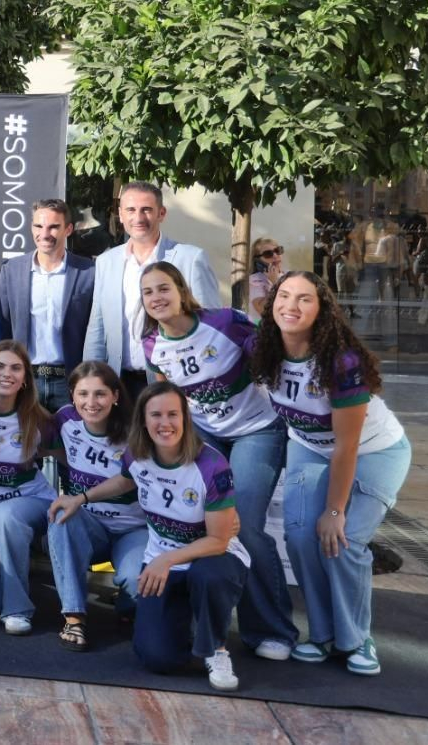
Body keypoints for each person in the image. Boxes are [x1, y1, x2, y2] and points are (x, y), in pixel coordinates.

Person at [139, 261, 298, 659]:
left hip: (256, 429)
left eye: (163, 289)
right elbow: (164, 402)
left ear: (180, 290)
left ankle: (271, 630)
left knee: (241, 523)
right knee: (200, 527)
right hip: (205, 435)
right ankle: (204, 620)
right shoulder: (151, 344)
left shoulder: (224, 322)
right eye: (148, 293)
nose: (156, 298)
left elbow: (271, 355)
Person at [254, 272, 411, 675]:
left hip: (374, 451)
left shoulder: (341, 362)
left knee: (343, 540)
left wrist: (336, 510)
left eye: (305, 299)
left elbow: (347, 446)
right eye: (284, 296)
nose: (291, 306)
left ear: (321, 310)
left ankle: (357, 639)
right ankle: (322, 635)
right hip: (308, 444)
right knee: (301, 537)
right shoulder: (263, 347)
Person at [55, 384, 250, 692]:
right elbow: (123, 482)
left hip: (211, 558)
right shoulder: (137, 454)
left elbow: (218, 540)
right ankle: (183, 618)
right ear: (143, 420)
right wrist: (80, 498)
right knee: (157, 658)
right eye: (155, 415)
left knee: (207, 576)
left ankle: (217, 648)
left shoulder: (212, 465)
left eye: (173, 414)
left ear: (185, 417)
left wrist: (165, 559)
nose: (165, 423)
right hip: (164, 560)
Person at [84, 182, 225, 393]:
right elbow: (98, 325)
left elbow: (209, 326)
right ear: (120, 215)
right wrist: (89, 378)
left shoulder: (190, 258)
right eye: (131, 210)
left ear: (161, 213)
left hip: (172, 383)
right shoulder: (106, 261)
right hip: (117, 383)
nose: (138, 218)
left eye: (146, 210)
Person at [46, 362, 147, 651]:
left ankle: (128, 603)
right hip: (90, 527)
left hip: (133, 529)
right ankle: (74, 616)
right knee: (59, 516)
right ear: (73, 396)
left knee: (136, 582)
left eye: (100, 394)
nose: (91, 403)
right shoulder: (65, 419)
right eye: (83, 394)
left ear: (116, 395)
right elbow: (45, 445)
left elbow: (128, 481)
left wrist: (81, 497)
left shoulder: (134, 429)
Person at [0, 341, 59, 635]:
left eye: (16, 368)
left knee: (7, 516)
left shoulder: (38, 417)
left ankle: (18, 609)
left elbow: (67, 456)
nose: (8, 374)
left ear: (26, 378)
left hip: (33, 504)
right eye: (0, 366)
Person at [0, 199, 96, 411]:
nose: (45, 234)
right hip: (25, 381)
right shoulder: (12, 270)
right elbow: (5, 329)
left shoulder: (88, 271)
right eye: (38, 226)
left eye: (53, 227)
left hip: (70, 381)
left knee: (70, 443)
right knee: (24, 443)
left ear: (68, 229)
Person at [248, 237, 286, 322]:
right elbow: (263, 310)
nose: (275, 256)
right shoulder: (255, 280)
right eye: (268, 254)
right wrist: (275, 283)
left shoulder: (288, 276)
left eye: (277, 251)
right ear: (258, 260)